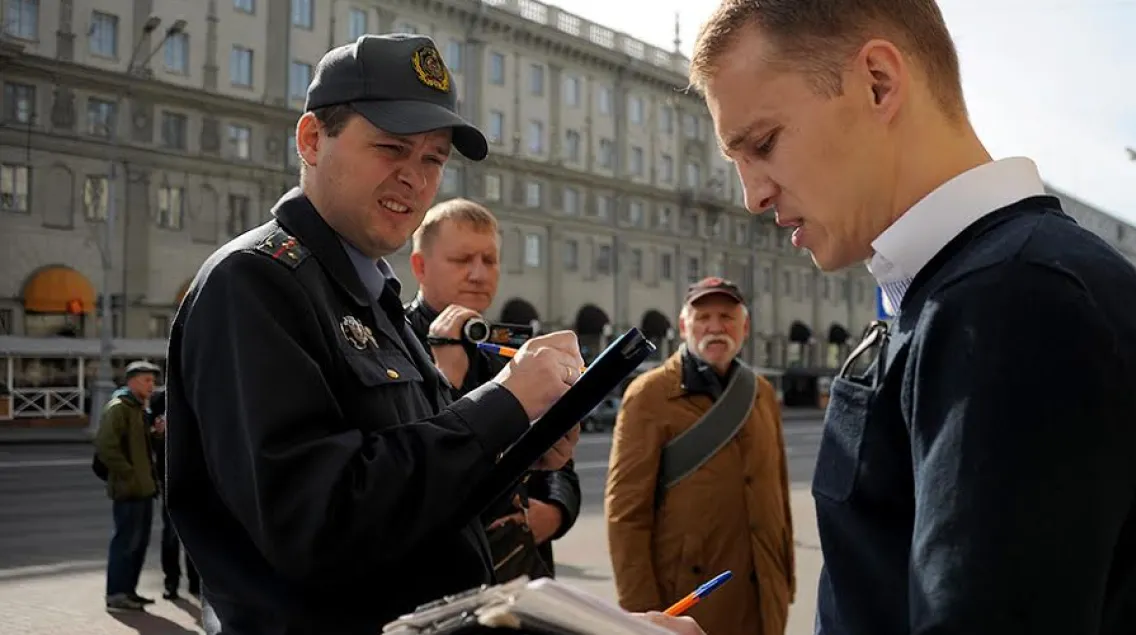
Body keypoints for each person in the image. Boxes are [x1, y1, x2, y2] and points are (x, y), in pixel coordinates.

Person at [652, 1, 1136, 633]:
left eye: (764, 144)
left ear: (878, 82)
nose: (752, 196)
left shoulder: (1016, 302)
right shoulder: (971, 286)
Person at [164, 34, 583, 635]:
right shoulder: (253, 282)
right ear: (312, 140)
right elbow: (319, 523)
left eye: (433, 159)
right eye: (391, 147)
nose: (414, 178)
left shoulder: (371, 292)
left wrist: (520, 443)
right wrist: (504, 402)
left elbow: (416, 482)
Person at [606, 277, 794, 635]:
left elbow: (778, 490)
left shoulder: (762, 393)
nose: (715, 327)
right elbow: (625, 512)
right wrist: (641, 614)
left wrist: (784, 580)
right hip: (688, 602)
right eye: (703, 316)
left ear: (745, 326)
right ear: (683, 326)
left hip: (763, 594)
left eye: (726, 316)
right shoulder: (649, 395)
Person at [406, 197, 582, 582]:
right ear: (420, 266)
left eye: (489, 260)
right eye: (462, 260)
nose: (478, 274)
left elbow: (561, 466)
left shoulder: (512, 350)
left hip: (521, 575)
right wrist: (446, 380)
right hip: (436, 577)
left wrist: (554, 511)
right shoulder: (395, 340)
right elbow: (404, 466)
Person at [94, 360, 161, 611]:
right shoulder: (119, 407)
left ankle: (129, 592)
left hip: (144, 488)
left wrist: (156, 435)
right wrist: (128, 474)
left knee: (138, 544)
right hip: (128, 489)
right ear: (132, 381)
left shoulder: (138, 409)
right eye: (146, 380)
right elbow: (105, 446)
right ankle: (116, 595)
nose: (151, 385)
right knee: (125, 543)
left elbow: (143, 450)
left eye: (153, 380)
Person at [146, 388, 201, 600]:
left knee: (195, 536)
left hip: (196, 478)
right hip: (170, 478)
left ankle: (196, 582)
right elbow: (149, 436)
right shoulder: (160, 398)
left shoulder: (198, 394)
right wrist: (158, 432)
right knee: (171, 535)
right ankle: (171, 582)